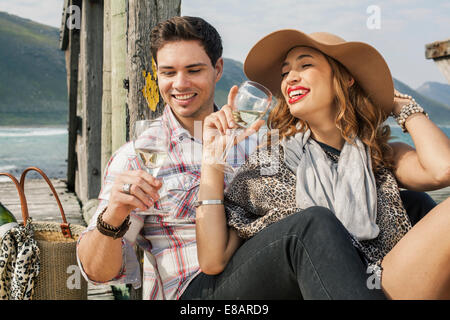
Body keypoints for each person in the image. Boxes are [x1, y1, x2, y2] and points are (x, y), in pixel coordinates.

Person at [76, 16, 439, 300]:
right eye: (168, 72)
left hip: (286, 276)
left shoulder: (267, 141)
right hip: (201, 292)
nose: (180, 83)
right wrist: (113, 218)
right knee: (311, 225)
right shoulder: (140, 154)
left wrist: (392, 105)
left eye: (194, 70)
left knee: (413, 206)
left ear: (218, 70)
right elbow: (98, 273)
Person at [191, 30, 450, 300]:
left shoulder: (379, 155)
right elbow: (213, 259)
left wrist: (399, 105)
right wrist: (212, 156)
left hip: (371, 282)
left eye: (305, 65)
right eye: (285, 72)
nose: (291, 77)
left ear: (346, 78)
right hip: (284, 290)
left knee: (417, 203)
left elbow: (442, 169)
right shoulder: (270, 157)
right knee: (315, 222)